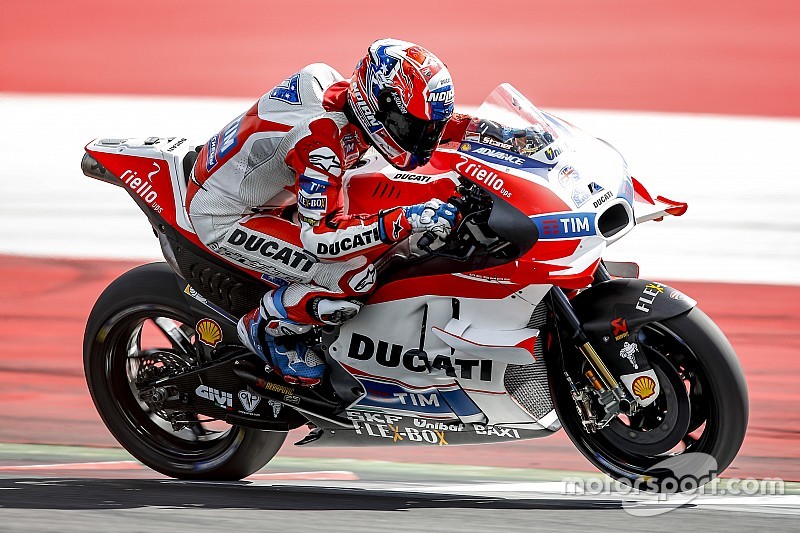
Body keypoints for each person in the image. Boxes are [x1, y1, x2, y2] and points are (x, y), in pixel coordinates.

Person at [186, 39, 470, 386]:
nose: (422, 138)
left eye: (427, 128)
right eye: (409, 125)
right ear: (376, 106)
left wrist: (503, 135)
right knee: (353, 273)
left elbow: (436, 124)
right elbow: (320, 239)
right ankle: (266, 327)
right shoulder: (322, 145)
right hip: (228, 214)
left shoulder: (344, 96)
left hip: (273, 190)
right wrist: (406, 219)